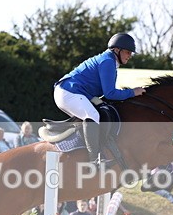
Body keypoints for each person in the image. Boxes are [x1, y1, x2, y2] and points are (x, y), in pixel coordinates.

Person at [53, 33, 146, 166]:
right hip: (69, 92)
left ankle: (82, 154)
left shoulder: (109, 60)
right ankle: (94, 160)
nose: (130, 55)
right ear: (116, 50)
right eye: (127, 52)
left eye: (131, 53)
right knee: (93, 116)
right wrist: (133, 92)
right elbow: (110, 94)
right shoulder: (108, 61)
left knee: (99, 113)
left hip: (71, 92)